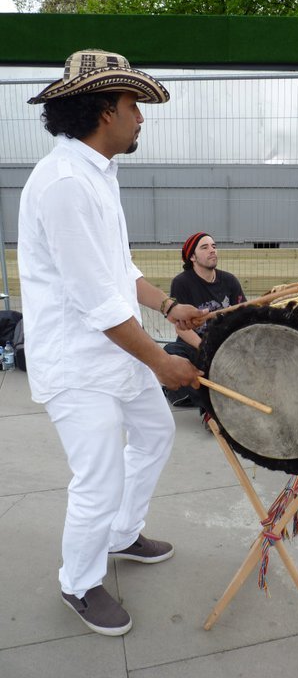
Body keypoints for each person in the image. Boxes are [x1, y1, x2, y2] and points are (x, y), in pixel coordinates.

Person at [17, 49, 209, 637]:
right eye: (133, 106)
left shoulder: (97, 172)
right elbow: (93, 301)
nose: (140, 117)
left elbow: (119, 272)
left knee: (152, 434)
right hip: (77, 363)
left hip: (113, 352)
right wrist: (164, 361)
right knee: (97, 475)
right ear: (105, 110)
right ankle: (79, 581)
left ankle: (122, 534)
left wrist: (171, 306)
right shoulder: (64, 183)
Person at [163, 232, 246, 416]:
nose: (212, 250)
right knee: (170, 353)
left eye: (214, 246)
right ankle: (212, 405)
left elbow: (243, 318)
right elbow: (181, 328)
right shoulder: (182, 282)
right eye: (205, 247)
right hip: (196, 345)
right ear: (192, 257)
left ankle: (208, 392)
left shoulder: (230, 281)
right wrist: (205, 347)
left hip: (225, 345)